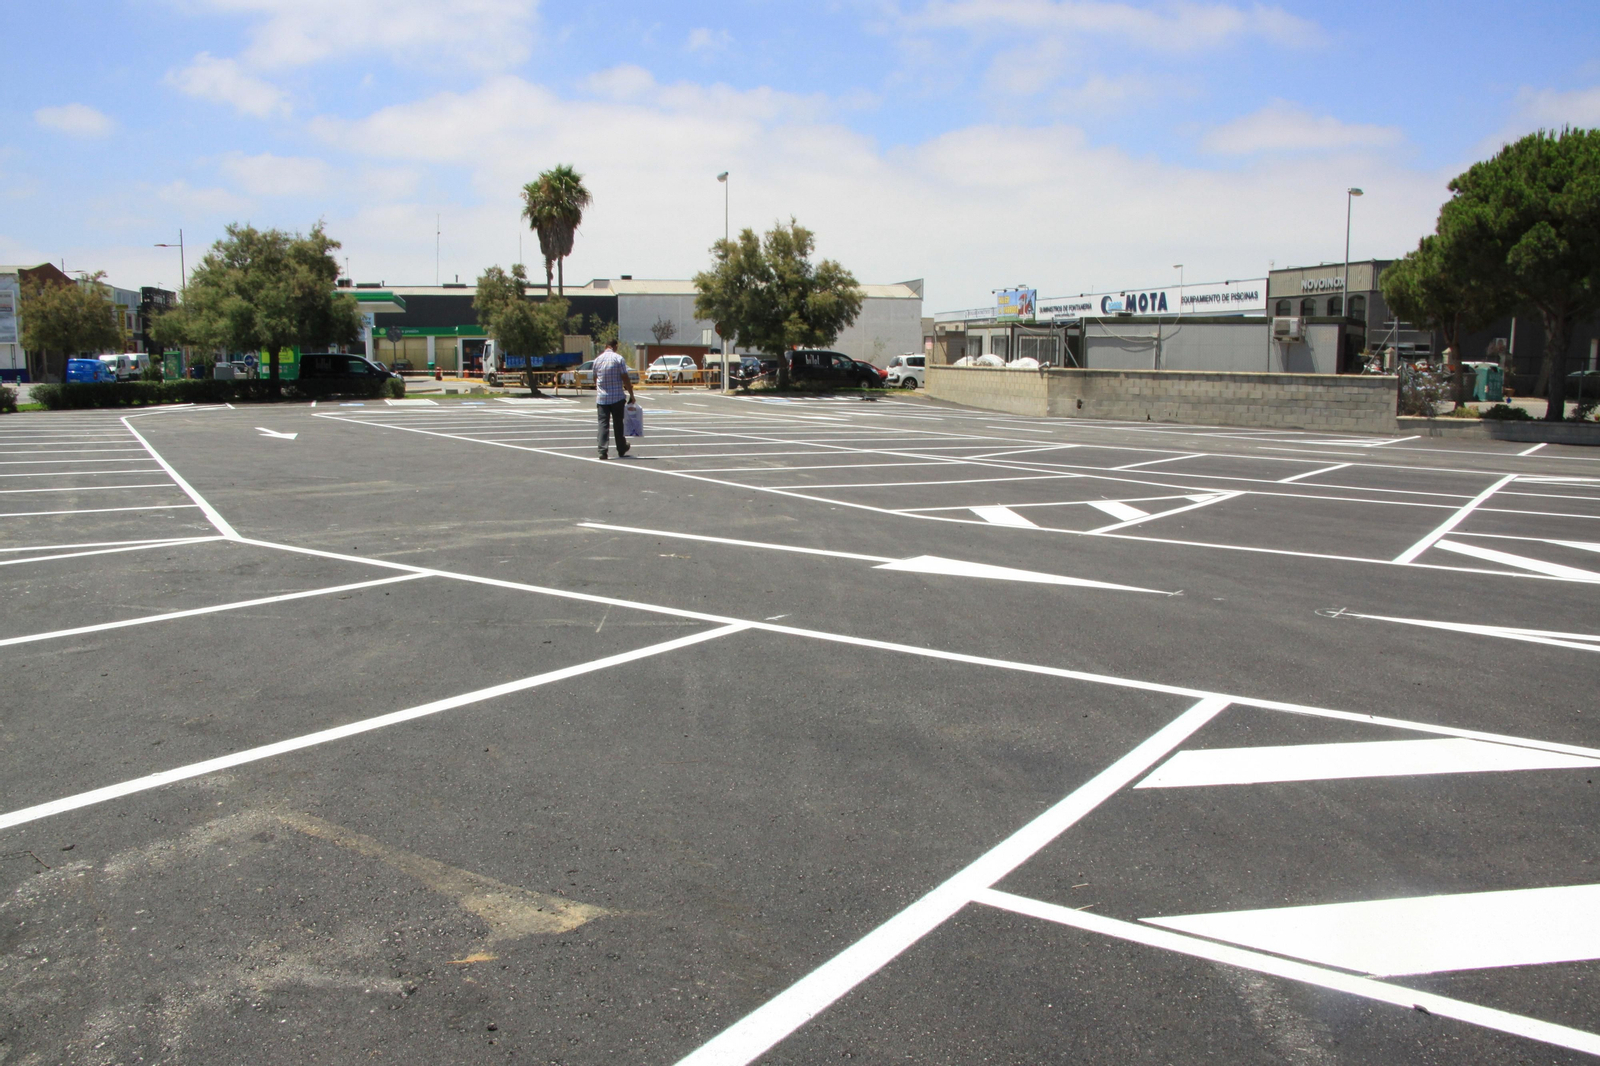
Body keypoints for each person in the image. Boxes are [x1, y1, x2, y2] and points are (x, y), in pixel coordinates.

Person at [593, 342, 634, 459]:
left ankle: (602, 450)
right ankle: (621, 448)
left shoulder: (597, 360)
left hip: (602, 399)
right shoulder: (618, 359)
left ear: (605, 346)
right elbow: (625, 377)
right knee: (618, 424)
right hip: (617, 397)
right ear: (614, 346)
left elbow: (595, 378)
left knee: (603, 424)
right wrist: (631, 393)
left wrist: (600, 388)